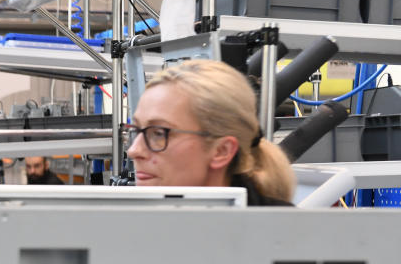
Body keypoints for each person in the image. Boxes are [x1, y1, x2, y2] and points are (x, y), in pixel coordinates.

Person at [123, 59, 295, 205]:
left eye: (159, 133)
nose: (134, 151)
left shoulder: (289, 238)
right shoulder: (131, 231)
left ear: (222, 151)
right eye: (137, 130)